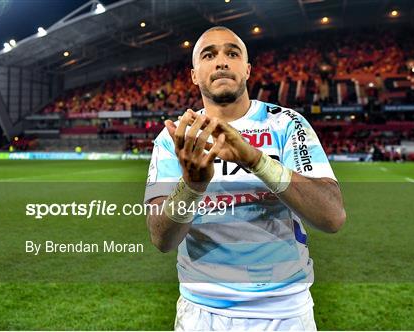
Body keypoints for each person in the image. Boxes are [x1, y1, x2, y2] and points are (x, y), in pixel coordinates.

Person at [144, 26, 346, 331]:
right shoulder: (176, 137)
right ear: (194, 75)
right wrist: (193, 185)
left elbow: (332, 217)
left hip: (285, 310)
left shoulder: (286, 123)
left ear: (247, 69)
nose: (222, 61)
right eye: (209, 55)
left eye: (232, 53)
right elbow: (162, 238)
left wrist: (255, 160)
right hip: (202, 310)